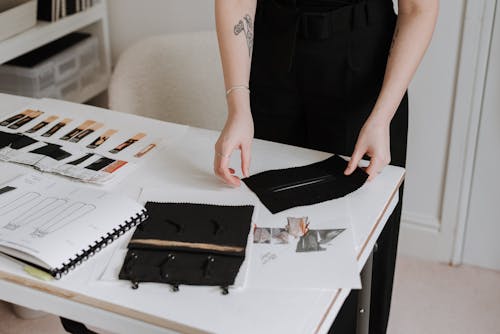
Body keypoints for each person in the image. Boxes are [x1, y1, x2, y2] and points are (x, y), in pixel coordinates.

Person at [213, 0, 438, 333]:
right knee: (268, 229)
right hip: (273, 64)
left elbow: (419, 9)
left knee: (353, 239)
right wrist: (238, 106)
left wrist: (381, 118)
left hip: (365, 76)